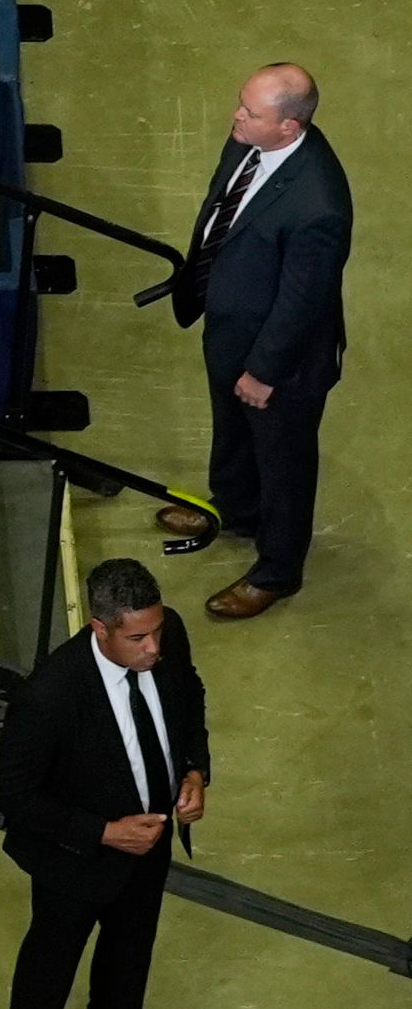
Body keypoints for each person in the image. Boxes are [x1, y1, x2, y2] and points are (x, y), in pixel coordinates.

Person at [0, 556, 209, 1009]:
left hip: (152, 838)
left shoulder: (169, 636)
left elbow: (188, 698)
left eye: (157, 630)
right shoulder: (50, 696)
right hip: (75, 856)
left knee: (133, 939)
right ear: (99, 628)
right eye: (137, 637)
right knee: (50, 964)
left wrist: (194, 771)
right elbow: (11, 795)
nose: (153, 647)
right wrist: (104, 833)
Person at [154, 64, 353, 619]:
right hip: (231, 327)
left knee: (283, 461)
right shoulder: (252, 139)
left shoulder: (319, 206)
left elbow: (303, 303)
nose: (235, 117)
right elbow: (223, 208)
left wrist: (263, 372)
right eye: (241, 105)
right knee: (232, 429)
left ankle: (277, 570)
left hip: (280, 359)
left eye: (250, 112)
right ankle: (236, 510)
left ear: (289, 127)